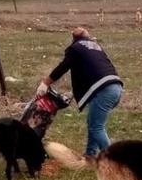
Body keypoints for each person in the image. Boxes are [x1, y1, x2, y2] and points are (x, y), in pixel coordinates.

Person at [36, 27, 123, 156]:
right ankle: (90, 155)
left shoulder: (75, 48)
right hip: (116, 86)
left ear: (74, 39)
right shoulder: (95, 47)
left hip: (104, 90)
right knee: (93, 123)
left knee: (96, 127)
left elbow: (63, 67)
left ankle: (115, 161)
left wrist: (45, 83)